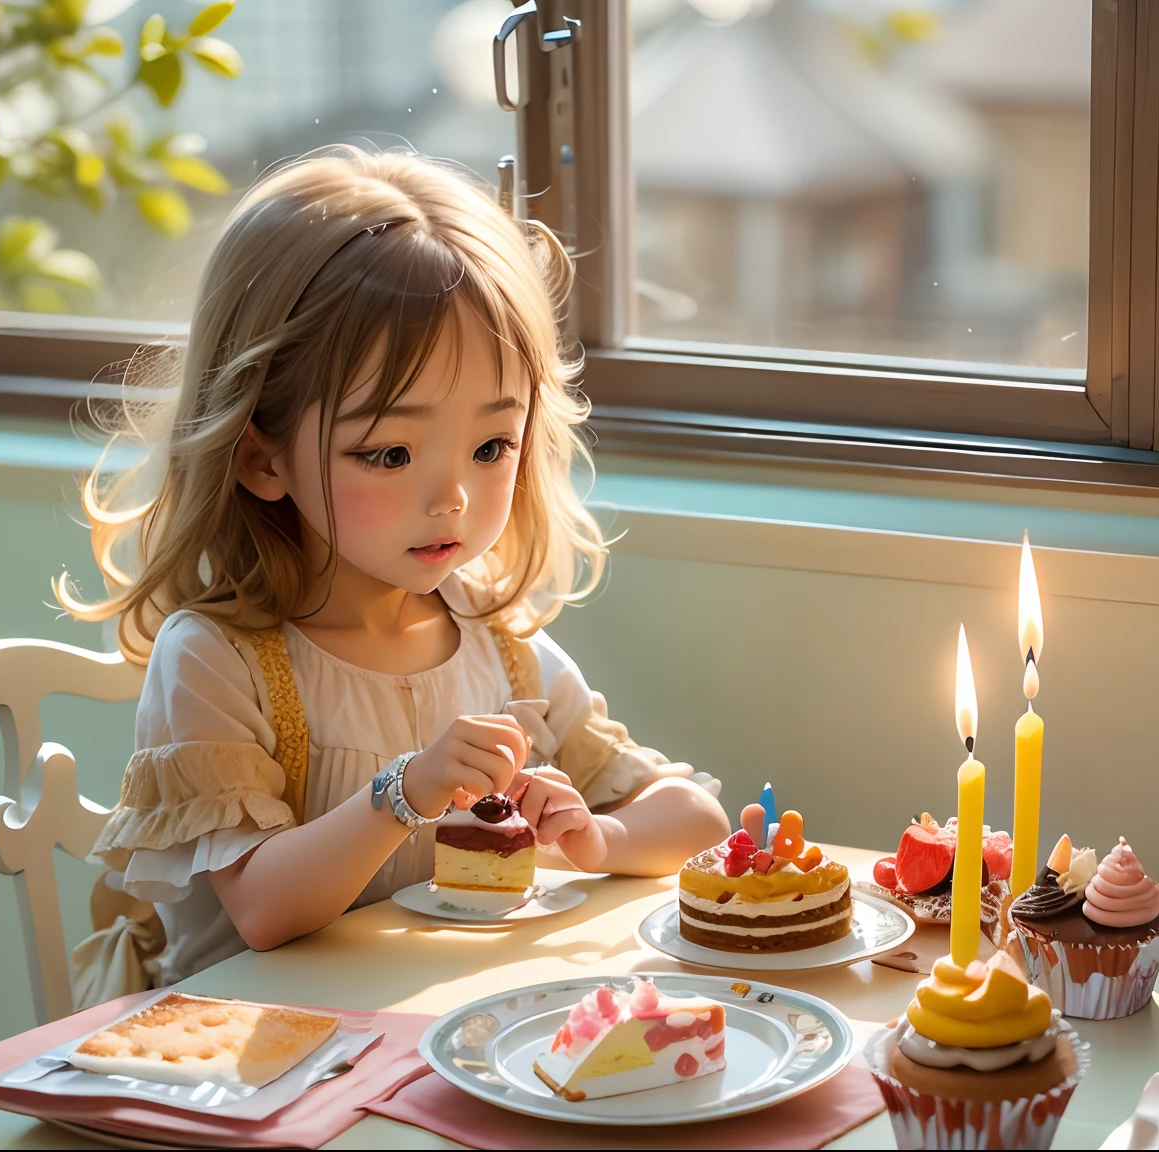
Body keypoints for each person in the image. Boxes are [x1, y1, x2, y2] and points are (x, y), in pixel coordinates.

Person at [61, 147, 729, 1002]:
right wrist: (404, 792)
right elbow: (264, 909)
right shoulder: (219, 661)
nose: (450, 497)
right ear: (262, 458)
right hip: (257, 1069)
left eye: (491, 446)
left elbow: (695, 820)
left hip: (430, 1043)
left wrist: (593, 836)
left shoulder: (502, 650)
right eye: (389, 453)